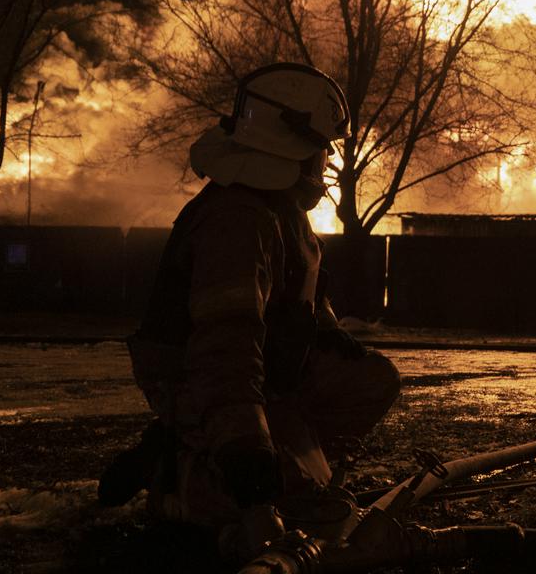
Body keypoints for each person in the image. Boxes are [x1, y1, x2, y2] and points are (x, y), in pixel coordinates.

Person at [99, 63, 400, 535]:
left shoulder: (280, 209)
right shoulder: (237, 223)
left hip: (262, 371)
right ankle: (183, 480)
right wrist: (245, 452)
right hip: (198, 375)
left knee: (368, 381)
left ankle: (236, 450)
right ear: (293, 146)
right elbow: (226, 347)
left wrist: (327, 330)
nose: (326, 159)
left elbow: (296, 292)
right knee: (262, 498)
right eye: (322, 147)